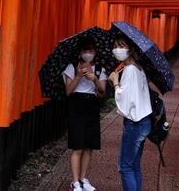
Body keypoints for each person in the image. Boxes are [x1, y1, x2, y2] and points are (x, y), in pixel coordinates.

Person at [62, 37, 107, 191]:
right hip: (76, 105)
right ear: (80, 52)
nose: (88, 53)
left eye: (91, 50)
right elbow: (68, 91)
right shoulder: (71, 67)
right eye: (85, 50)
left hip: (92, 106)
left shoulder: (100, 69)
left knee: (89, 146)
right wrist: (79, 75)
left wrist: (94, 79)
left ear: (95, 52)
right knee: (78, 146)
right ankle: (75, 182)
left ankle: (83, 178)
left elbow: (102, 93)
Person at [108, 35, 152, 191]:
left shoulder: (131, 70)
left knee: (125, 167)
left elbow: (125, 100)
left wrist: (115, 82)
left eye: (122, 46)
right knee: (134, 165)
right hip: (144, 121)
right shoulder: (137, 68)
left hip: (135, 123)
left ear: (131, 49)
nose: (118, 49)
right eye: (116, 46)